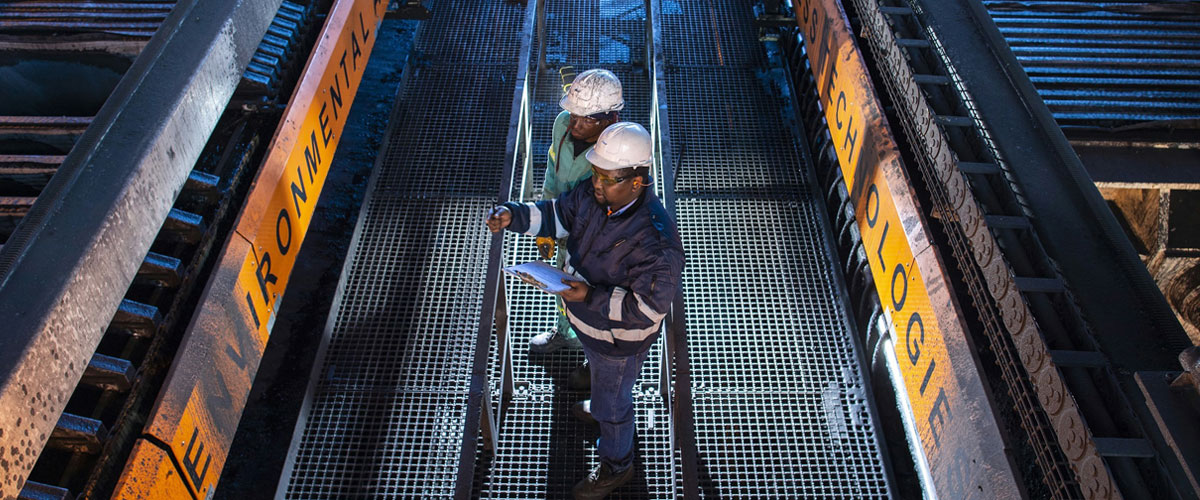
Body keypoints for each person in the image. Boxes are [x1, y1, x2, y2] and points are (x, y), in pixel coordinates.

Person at [487, 123, 684, 499]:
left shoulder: (657, 243)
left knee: (614, 403)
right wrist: (515, 216)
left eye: (607, 178)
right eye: (596, 172)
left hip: (617, 343)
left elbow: (646, 310)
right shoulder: (598, 194)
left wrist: (589, 296)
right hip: (590, 328)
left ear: (637, 181)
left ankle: (617, 464)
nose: (596, 183)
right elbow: (558, 213)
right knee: (604, 383)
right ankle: (603, 402)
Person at [530, 68, 624, 355]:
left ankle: (594, 352)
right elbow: (553, 173)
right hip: (563, 224)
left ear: (610, 118)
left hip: (596, 241)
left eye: (585, 119)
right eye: (573, 114)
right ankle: (566, 333)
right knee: (563, 284)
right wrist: (546, 223)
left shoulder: (619, 152)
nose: (574, 124)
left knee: (592, 295)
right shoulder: (563, 124)